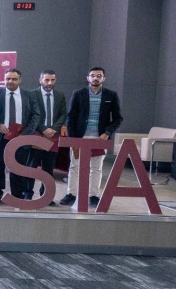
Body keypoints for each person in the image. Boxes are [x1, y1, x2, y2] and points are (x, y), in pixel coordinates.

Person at [60, 67, 123, 207]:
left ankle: (94, 196)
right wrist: (72, 138)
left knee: (96, 168)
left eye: (99, 76)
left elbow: (118, 118)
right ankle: (71, 194)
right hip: (79, 138)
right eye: (93, 75)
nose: (95, 78)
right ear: (87, 78)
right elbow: (70, 117)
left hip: (99, 139)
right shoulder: (78, 94)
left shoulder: (111, 95)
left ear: (103, 78)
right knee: (74, 166)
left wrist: (107, 133)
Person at [0, 69, 41, 202]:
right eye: (8, 79)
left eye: (14, 79)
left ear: (20, 80)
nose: (10, 81)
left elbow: (36, 115)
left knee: (18, 166)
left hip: (20, 138)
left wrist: (25, 134)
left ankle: (17, 194)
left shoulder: (29, 95)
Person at [30, 70, 67, 203]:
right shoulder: (32, 94)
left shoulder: (60, 95)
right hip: (37, 134)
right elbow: (30, 114)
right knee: (32, 167)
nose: (50, 83)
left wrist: (54, 129)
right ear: (40, 80)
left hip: (53, 137)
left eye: (52, 80)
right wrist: (43, 129)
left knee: (48, 168)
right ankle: (27, 194)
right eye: (47, 80)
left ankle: (46, 197)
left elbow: (63, 114)